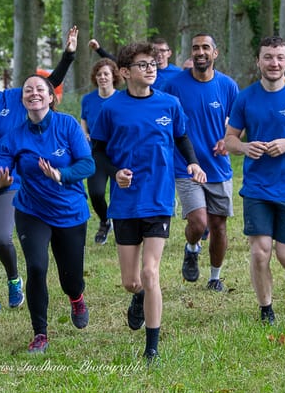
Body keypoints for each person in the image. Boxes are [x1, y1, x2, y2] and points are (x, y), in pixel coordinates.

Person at [91, 42, 206, 363]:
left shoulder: (169, 104)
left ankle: (152, 346)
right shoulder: (111, 108)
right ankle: (138, 297)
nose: (151, 69)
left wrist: (193, 163)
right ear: (125, 72)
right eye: (143, 65)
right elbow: (97, 151)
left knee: (151, 272)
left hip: (158, 200)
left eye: (153, 64)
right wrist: (115, 174)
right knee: (131, 281)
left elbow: (182, 137)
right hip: (126, 203)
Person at [0, 27, 77, 316]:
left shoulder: (13, 98)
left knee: (0, 237)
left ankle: (14, 279)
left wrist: (68, 55)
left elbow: (49, 84)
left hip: (10, 180)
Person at [224, 36, 285, 325]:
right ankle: (266, 309)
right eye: (268, 57)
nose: (274, 63)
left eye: (280, 57)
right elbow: (229, 139)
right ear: (258, 61)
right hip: (257, 187)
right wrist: (244, 147)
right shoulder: (245, 97)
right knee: (259, 252)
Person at [0, 74, 95, 354]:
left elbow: (88, 165)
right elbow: (0, 169)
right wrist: (0, 181)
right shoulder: (14, 136)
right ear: (23, 98)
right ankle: (40, 333)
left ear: (51, 97)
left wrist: (62, 174)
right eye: (28, 90)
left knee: (70, 277)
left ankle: (76, 297)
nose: (34, 93)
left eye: (40, 89)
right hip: (32, 211)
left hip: (70, 211)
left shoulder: (68, 125)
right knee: (37, 268)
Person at [163, 34, 239, 291]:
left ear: (215, 53)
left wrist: (228, 139)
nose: (200, 52)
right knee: (199, 222)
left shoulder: (228, 86)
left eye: (206, 47)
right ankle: (192, 247)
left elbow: (241, 123)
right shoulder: (174, 86)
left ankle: (214, 277)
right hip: (185, 165)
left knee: (218, 225)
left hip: (218, 167)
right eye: (195, 48)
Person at [80, 58, 122, 245]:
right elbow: (83, 121)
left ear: (113, 76)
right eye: (99, 74)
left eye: (106, 74)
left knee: (119, 193)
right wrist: (85, 134)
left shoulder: (122, 98)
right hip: (96, 152)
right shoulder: (88, 100)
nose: (102, 77)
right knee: (96, 193)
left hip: (118, 152)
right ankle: (105, 221)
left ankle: (122, 226)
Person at [88, 37, 182, 90]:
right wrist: (99, 50)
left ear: (169, 53)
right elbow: (119, 62)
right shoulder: (140, 70)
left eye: (162, 51)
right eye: (156, 51)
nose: (159, 54)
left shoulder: (178, 73)